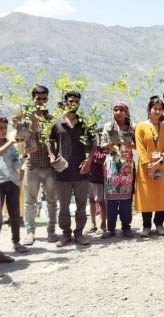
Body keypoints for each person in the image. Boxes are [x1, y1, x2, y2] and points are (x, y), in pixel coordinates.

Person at [49, 91, 96, 247]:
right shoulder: (57, 123)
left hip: (81, 171)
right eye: (70, 101)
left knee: (81, 205)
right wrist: (51, 156)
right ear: (65, 102)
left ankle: (79, 233)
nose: (73, 104)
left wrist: (89, 161)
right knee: (63, 205)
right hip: (62, 172)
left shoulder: (85, 123)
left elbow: (94, 143)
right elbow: (49, 141)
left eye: (76, 101)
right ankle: (66, 234)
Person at [19, 85, 58, 245]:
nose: (41, 101)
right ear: (33, 99)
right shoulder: (26, 120)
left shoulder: (52, 120)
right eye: (38, 98)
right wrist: (30, 126)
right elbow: (21, 139)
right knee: (30, 202)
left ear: (47, 99)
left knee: (52, 201)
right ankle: (30, 232)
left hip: (49, 167)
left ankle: (51, 230)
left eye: (44, 98)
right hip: (32, 166)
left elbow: (56, 141)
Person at [135, 96, 164, 237]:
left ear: (163, 111)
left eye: (160, 109)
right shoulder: (141, 126)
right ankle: (146, 225)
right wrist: (148, 164)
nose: (157, 111)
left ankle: (158, 223)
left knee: (162, 195)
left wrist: (160, 160)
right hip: (146, 168)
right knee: (147, 195)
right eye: (155, 108)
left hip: (161, 166)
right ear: (149, 110)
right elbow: (140, 148)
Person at [101, 101, 135, 239]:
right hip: (112, 165)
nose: (118, 112)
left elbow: (139, 144)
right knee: (111, 199)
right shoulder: (108, 126)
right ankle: (111, 228)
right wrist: (110, 144)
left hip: (127, 165)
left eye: (121, 110)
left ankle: (126, 227)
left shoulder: (132, 127)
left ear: (126, 112)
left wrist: (128, 144)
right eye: (115, 109)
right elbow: (102, 143)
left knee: (126, 198)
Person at [0, 117, 28, 253]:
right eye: (0, 128)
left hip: (12, 182)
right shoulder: (10, 144)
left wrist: (25, 156)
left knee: (15, 214)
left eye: (5, 128)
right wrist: (11, 142)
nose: (3, 131)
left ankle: (16, 242)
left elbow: (16, 164)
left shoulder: (11, 145)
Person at [86, 132, 106, 235]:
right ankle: (93, 224)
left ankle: (103, 224)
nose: (98, 138)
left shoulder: (105, 149)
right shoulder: (90, 148)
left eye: (101, 136)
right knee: (91, 201)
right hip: (90, 177)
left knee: (101, 202)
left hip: (100, 178)